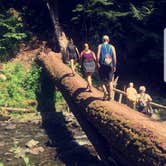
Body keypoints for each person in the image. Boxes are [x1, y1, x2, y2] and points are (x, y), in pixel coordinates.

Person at [97, 35, 117, 100]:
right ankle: (110, 96)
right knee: (110, 81)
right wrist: (114, 66)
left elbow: (98, 56)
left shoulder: (100, 46)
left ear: (103, 40)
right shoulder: (112, 47)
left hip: (102, 65)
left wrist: (97, 63)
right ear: (108, 40)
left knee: (102, 80)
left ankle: (105, 92)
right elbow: (114, 57)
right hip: (110, 65)